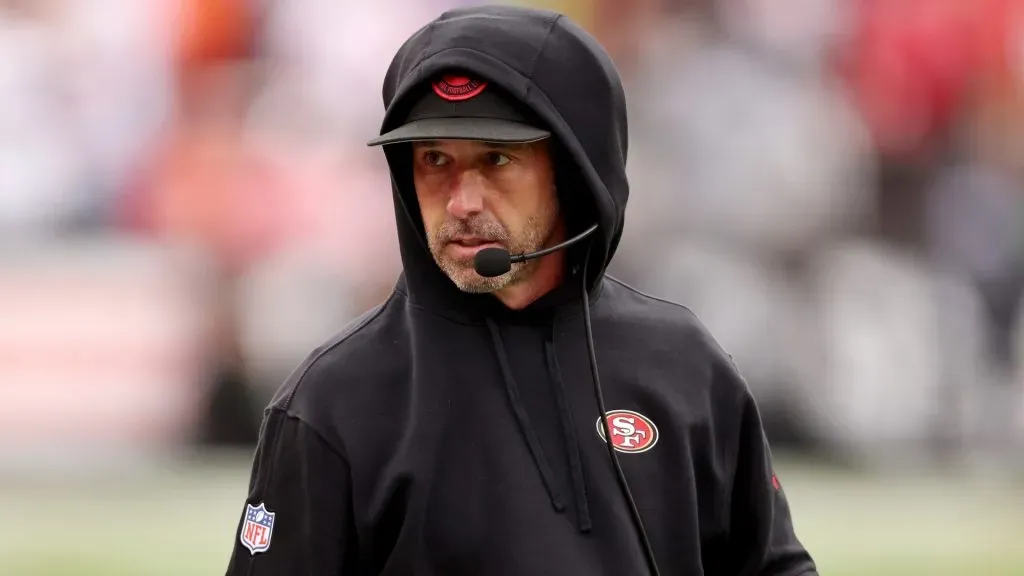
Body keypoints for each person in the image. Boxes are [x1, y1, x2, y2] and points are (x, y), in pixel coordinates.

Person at [224, 5, 817, 575]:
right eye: (434, 159)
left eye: (497, 159)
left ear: (573, 167)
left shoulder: (685, 365)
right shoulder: (332, 401)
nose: (462, 202)